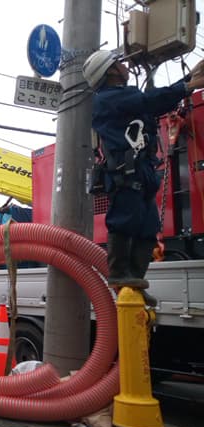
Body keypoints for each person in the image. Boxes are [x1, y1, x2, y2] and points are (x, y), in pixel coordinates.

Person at [82, 50, 204, 305]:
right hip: (125, 172)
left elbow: (153, 101)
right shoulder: (107, 98)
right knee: (123, 221)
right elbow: (150, 101)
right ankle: (119, 275)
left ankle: (134, 280)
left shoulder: (125, 97)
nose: (125, 65)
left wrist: (188, 79)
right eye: (119, 63)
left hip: (141, 170)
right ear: (110, 71)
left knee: (148, 229)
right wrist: (187, 86)